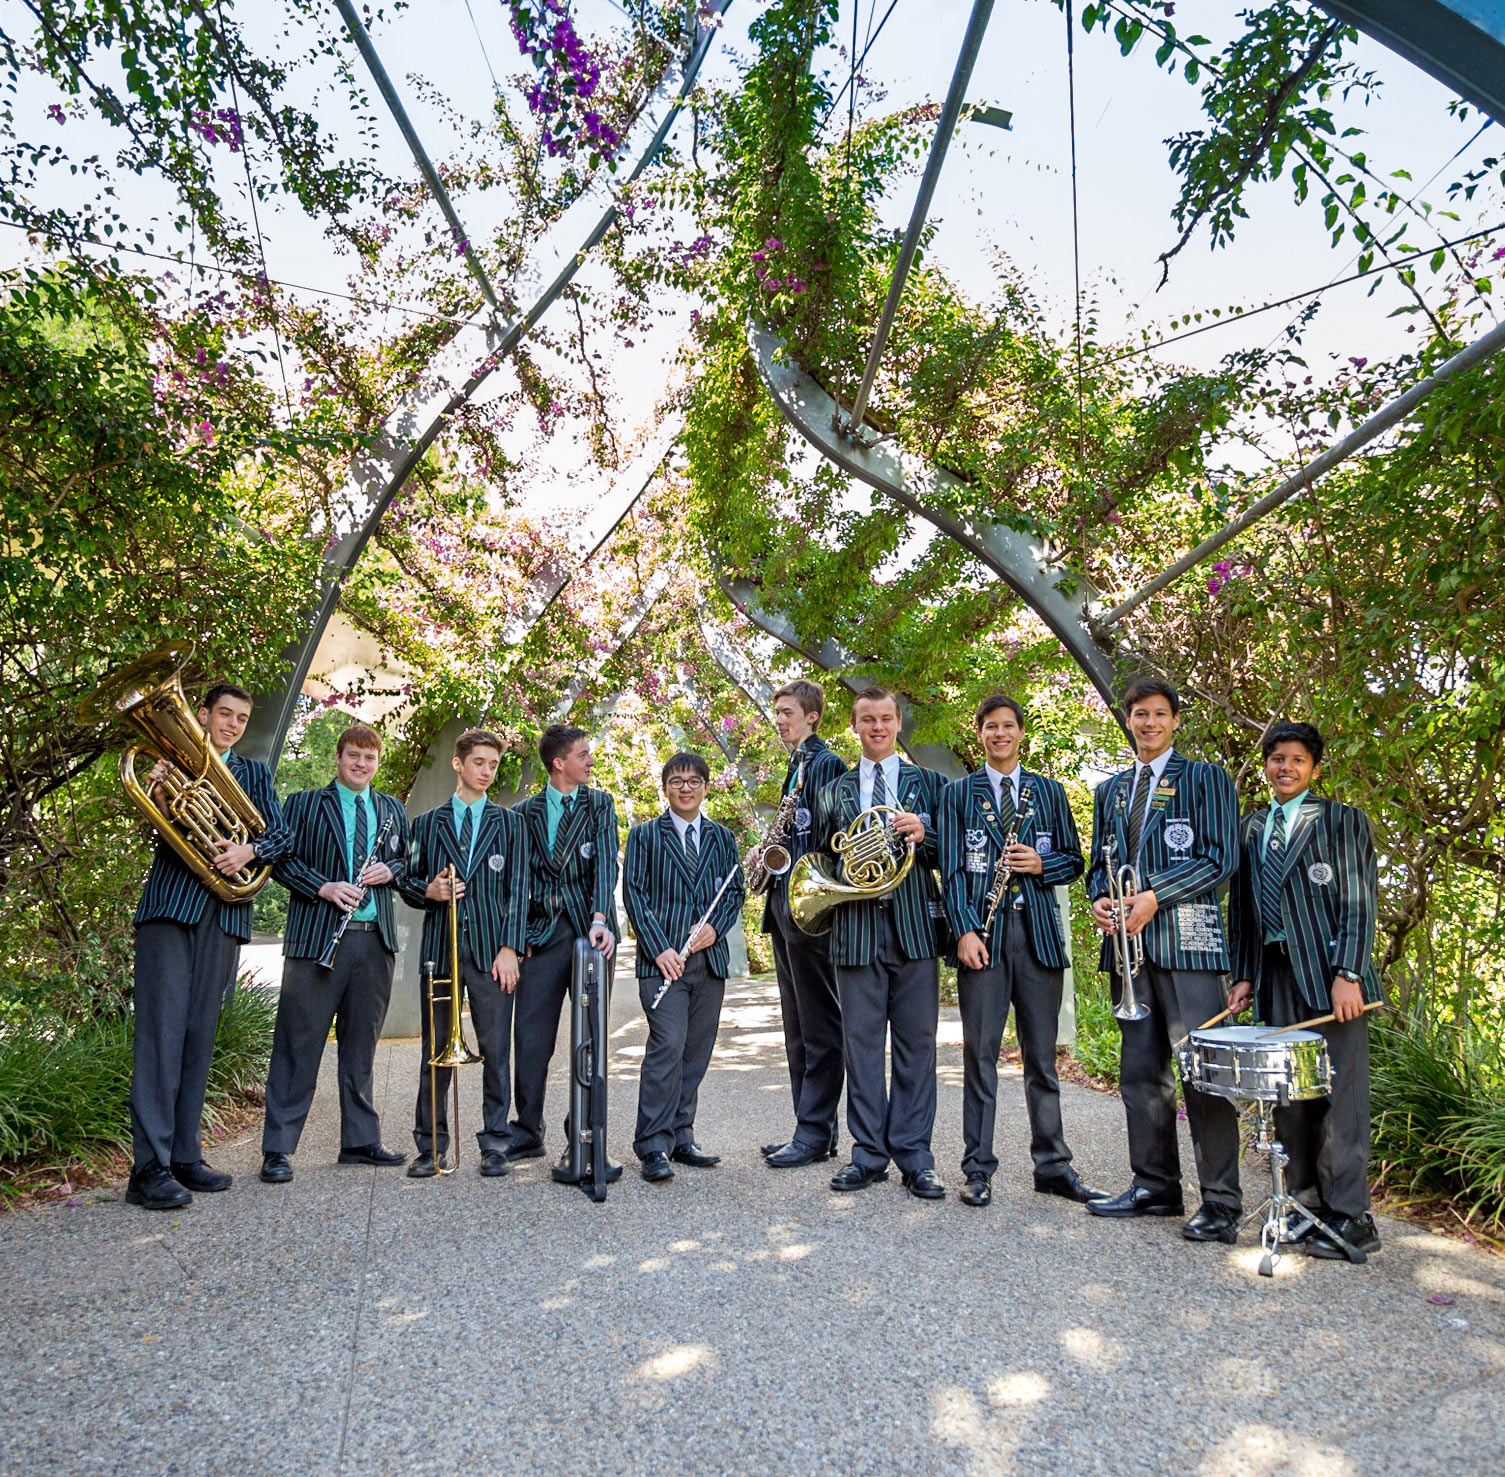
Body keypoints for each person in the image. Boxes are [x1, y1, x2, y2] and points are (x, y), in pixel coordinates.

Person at [1085, 677, 1243, 1243]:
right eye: (1139, 715)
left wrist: (1155, 896)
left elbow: (1220, 859)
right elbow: (1097, 864)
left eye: (1159, 714)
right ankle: (1154, 1186)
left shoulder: (1205, 778)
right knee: (1140, 1076)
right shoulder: (1112, 790)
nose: (1149, 723)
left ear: (1175, 720)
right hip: (1129, 949)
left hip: (1187, 945)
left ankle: (1222, 1203)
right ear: (1127, 720)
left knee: (1202, 1073)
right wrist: (1100, 898)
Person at [127, 681, 291, 1210]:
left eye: (242, 719)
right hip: (171, 912)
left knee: (199, 1037)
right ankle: (147, 1168)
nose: (233, 725)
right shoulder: (171, 763)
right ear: (203, 715)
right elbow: (154, 832)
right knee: (161, 1037)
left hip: (222, 916)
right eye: (225, 714)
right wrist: (157, 795)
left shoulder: (254, 774)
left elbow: (281, 837)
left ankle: (183, 1156)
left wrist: (249, 849)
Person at [939, 694, 1104, 1209]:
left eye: (1008, 726)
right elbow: (949, 870)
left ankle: (1053, 1166)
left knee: (1042, 1060)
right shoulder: (957, 795)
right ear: (980, 735)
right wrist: (965, 931)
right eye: (991, 727)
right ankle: (977, 1168)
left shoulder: (1048, 792)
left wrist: (1040, 865)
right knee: (980, 1057)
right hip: (982, 941)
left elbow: (1076, 862)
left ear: (1020, 733)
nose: (1000, 734)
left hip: (1038, 939)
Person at [1228, 720, 1383, 1260]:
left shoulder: (1341, 822)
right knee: (1288, 1093)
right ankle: (1304, 1205)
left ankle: (1351, 1216)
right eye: (1276, 759)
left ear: (1314, 768)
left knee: (1341, 1096)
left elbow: (1360, 905)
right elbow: (1243, 913)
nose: (1285, 768)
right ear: (1266, 766)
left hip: (1332, 979)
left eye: (1296, 759)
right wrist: (1243, 975)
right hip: (1274, 977)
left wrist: (1350, 974)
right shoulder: (1251, 828)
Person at [259, 723, 410, 1184]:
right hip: (317, 938)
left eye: (369, 758)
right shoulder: (305, 803)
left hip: (374, 938)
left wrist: (392, 870)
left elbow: (407, 860)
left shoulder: (391, 809)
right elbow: (281, 859)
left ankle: (360, 1141)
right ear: (339, 758)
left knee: (361, 1046)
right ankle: (278, 1150)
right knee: (298, 1044)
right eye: (353, 756)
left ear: (377, 763)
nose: (361, 764)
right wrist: (322, 887)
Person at [815, 687, 948, 1200]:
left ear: (897, 724)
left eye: (886, 718)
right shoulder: (835, 790)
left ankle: (916, 1157)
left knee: (917, 1048)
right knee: (862, 1050)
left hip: (914, 930)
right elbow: (826, 860)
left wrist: (925, 834)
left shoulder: (929, 784)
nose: (877, 727)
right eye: (867, 719)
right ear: (854, 725)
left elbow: (949, 854)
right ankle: (868, 1155)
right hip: (854, 933)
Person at [399, 727, 529, 1178]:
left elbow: (520, 888)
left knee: (496, 1050)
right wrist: (429, 891)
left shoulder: (511, 823)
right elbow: (406, 880)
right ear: (458, 764)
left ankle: (495, 1144)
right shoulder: (426, 824)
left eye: (493, 765)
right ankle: (430, 1146)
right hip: (441, 950)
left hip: (494, 953)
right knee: (435, 1052)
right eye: (479, 763)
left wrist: (511, 947)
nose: (487, 772)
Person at [623, 752, 746, 1182]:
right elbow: (635, 895)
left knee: (695, 1051)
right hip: (664, 964)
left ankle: (681, 1135)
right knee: (667, 1046)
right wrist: (660, 949)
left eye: (694, 780)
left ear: (706, 786)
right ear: (665, 787)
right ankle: (652, 1144)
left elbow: (734, 891)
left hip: (707, 962)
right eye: (677, 781)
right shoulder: (643, 836)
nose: (686, 787)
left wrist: (715, 926)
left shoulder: (721, 837)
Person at [510, 724, 620, 1166]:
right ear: (559, 763)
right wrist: (517, 940)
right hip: (541, 937)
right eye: (583, 754)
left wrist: (600, 919)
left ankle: (584, 1132)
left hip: (592, 936)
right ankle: (528, 1129)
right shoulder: (523, 812)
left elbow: (606, 867)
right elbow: (515, 880)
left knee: (591, 1038)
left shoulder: (600, 804)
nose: (591, 760)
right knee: (532, 1037)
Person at [759, 680, 849, 1169]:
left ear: (812, 716)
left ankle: (814, 1133)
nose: (780, 719)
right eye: (778, 712)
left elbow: (823, 838)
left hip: (808, 909)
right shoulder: (796, 763)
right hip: (783, 907)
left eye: (788, 711)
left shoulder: (826, 763)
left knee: (818, 1025)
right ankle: (810, 1127)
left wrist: (785, 855)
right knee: (796, 1027)